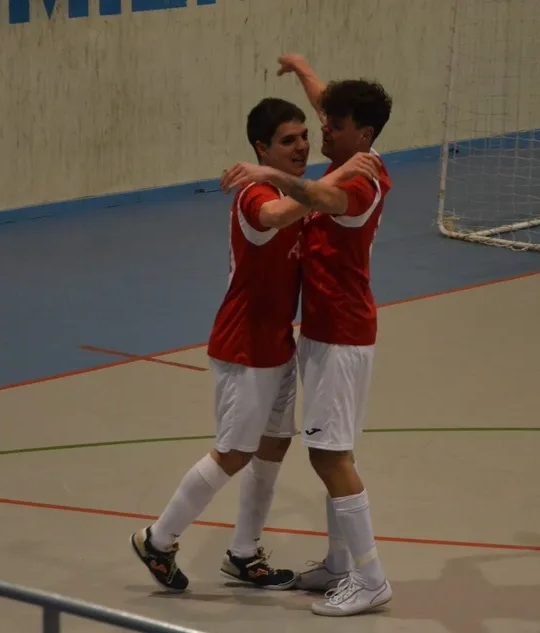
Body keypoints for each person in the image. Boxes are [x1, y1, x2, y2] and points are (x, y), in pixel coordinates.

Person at [130, 97, 378, 594]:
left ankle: (244, 553)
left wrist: (303, 69)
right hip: (244, 347)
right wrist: (344, 169)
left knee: (273, 445)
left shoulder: (293, 186)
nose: (302, 146)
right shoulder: (255, 195)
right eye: (288, 141)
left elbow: (338, 120)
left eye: (304, 136)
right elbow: (280, 214)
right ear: (262, 149)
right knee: (233, 452)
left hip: (278, 343)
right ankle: (158, 539)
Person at [221, 53, 395, 617]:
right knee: (331, 449)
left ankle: (370, 578)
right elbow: (327, 104)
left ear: (362, 135)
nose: (323, 130)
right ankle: (340, 566)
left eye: (333, 126)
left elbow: (318, 199)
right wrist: (302, 69)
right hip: (323, 332)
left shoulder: (360, 184)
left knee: (329, 456)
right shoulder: (352, 150)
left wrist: (270, 175)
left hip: (342, 335)